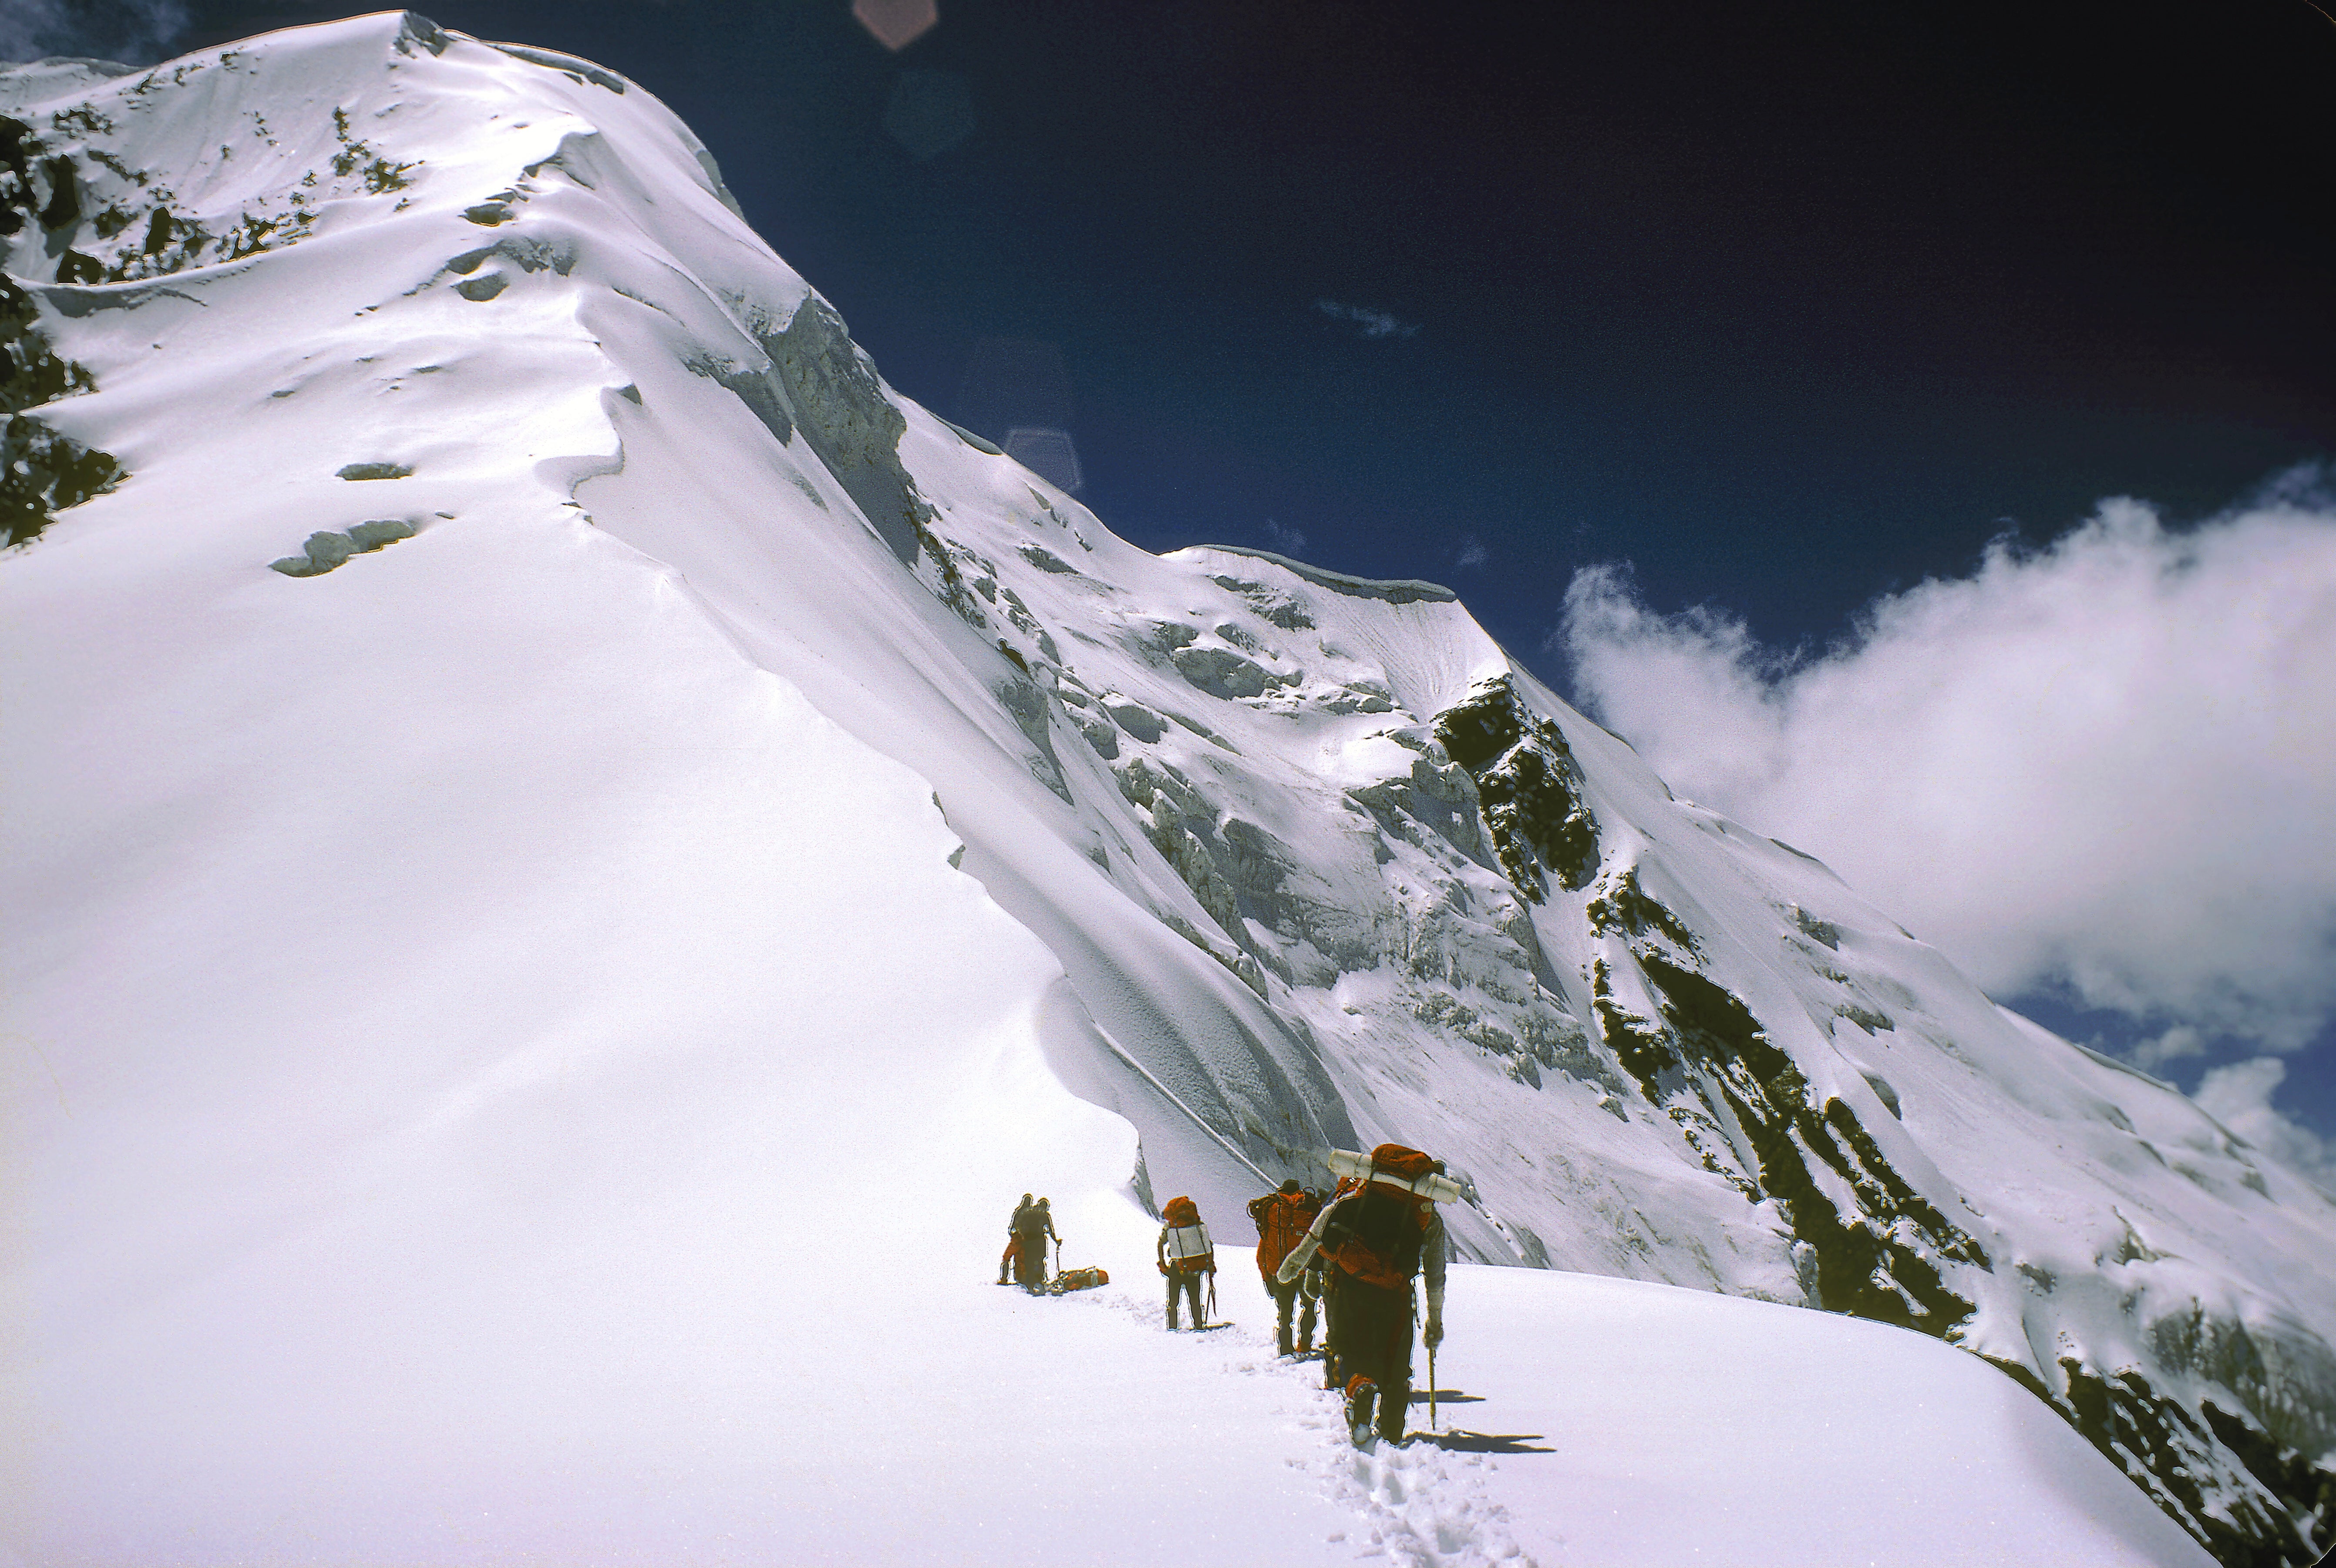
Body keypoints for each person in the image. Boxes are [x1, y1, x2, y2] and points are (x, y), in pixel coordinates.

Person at [1278, 1146, 1447, 1447]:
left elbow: (1317, 1235)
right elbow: (1435, 1276)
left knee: (1350, 1350)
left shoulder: (1356, 1197)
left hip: (1349, 1287)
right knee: (1396, 1362)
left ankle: (1360, 1386)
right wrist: (1434, 1321)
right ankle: (1393, 1429)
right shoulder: (1428, 1219)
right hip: (1395, 1294)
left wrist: (1293, 1267)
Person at [1246, 1178, 1323, 1356]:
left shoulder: (1271, 1210)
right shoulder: (1309, 1208)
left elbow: (1262, 1250)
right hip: (1306, 1270)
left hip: (1279, 1270)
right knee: (1309, 1309)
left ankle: (1286, 1349)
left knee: (1285, 1315)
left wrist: (1266, 1277)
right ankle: (1304, 1345)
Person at [1155, 1195, 1214, 1330]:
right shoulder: (1196, 1223)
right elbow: (1207, 1245)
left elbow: (1160, 1243)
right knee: (1195, 1300)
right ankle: (1199, 1326)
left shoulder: (1171, 1225)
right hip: (1195, 1268)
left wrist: (1163, 1266)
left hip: (1177, 1267)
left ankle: (1172, 1327)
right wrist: (1210, 1265)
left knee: (1173, 1301)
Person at [1013, 1196, 1058, 1292]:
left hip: (1027, 1240)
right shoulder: (1045, 1214)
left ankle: (1028, 1282)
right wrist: (1056, 1241)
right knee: (1040, 1260)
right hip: (1040, 1241)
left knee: (1028, 1261)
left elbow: (1017, 1224)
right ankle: (1039, 1281)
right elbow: (1051, 1230)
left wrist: (1021, 1235)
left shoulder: (1026, 1212)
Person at [999, 1193, 1034, 1285]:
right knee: (1021, 1262)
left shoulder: (1019, 1211)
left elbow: (1012, 1227)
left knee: (1007, 1258)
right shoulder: (1031, 1213)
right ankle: (1022, 1280)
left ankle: (1004, 1279)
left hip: (1016, 1239)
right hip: (1027, 1240)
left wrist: (1014, 1235)